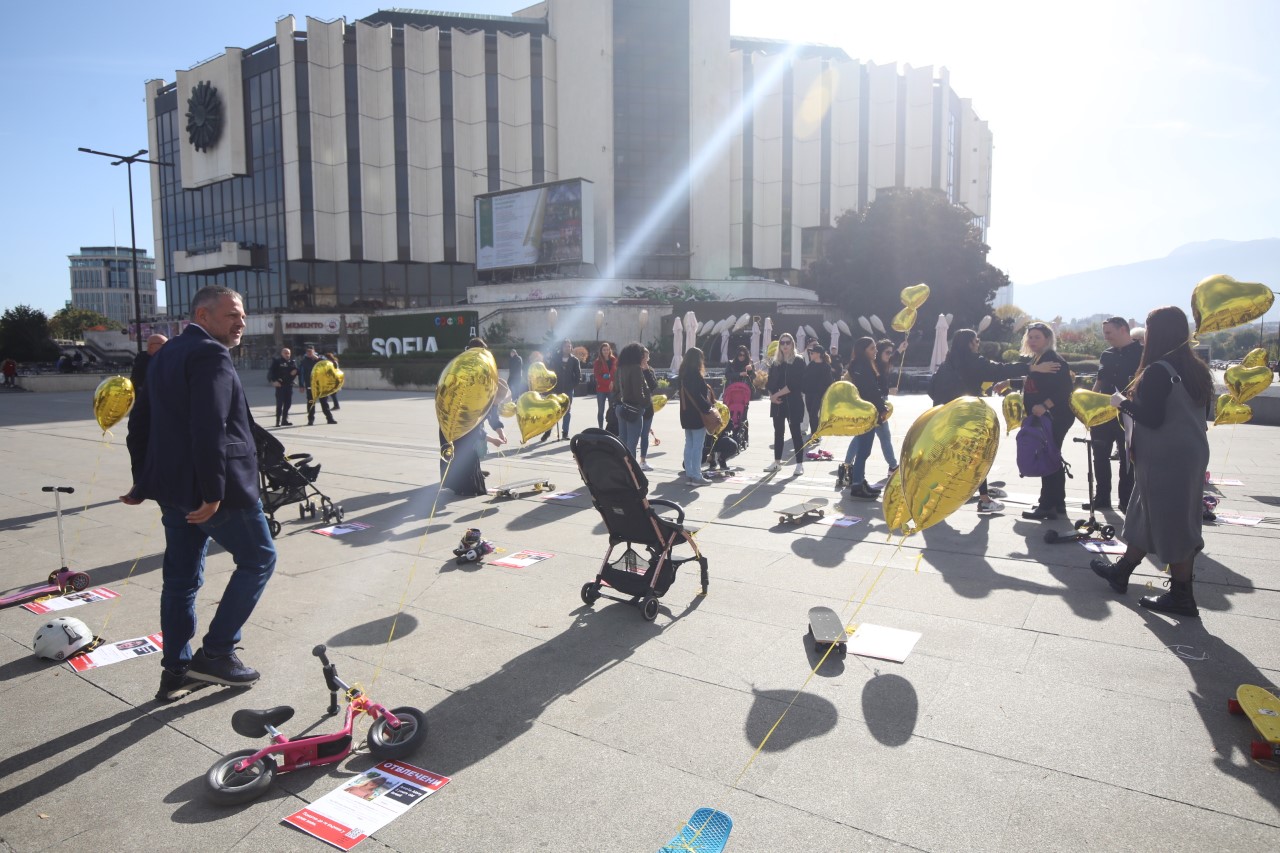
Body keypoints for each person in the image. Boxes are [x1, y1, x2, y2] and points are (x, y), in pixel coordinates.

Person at [120, 285, 277, 702]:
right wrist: (213, 492)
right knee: (260, 558)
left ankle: (176, 671)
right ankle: (217, 654)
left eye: (242, 315)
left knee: (181, 581)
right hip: (213, 491)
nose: (241, 322)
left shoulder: (165, 353)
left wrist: (143, 480)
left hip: (173, 489)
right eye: (232, 315)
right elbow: (210, 426)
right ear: (203, 316)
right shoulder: (209, 353)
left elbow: (142, 423)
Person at [1090, 306, 1212, 617]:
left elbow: (1152, 418)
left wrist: (1122, 404)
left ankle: (1183, 596)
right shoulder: (1197, 367)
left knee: (1175, 522)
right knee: (1144, 510)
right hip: (1190, 451)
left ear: (1157, 332)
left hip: (1165, 454)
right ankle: (1122, 571)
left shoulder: (1159, 369)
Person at [934, 329, 1061, 513]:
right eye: (976, 341)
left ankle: (944, 495)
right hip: (967, 416)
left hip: (942, 417)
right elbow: (999, 369)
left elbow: (932, 389)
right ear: (970, 343)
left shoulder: (946, 364)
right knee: (979, 456)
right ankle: (984, 499)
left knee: (951, 456)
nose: (978, 344)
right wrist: (1032, 367)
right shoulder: (974, 361)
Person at [1019, 322, 1075, 520]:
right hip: (1045, 417)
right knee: (1052, 457)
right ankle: (1057, 503)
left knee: (1046, 457)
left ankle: (1047, 504)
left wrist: (1045, 405)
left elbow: (1065, 389)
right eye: (1030, 337)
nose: (1032, 341)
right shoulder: (1038, 359)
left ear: (1048, 339)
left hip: (1055, 416)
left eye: (1037, 337)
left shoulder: (1052, 360)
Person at [441, 337, 508, 495]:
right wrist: (493, 440)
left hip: (466, 425)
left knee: (467, 456)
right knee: (461, 455)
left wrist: (499, 430)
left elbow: (491, 413)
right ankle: (462, 485)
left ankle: (466, 479)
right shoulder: (465, 374)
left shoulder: (483, 377)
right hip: (455, 423)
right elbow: (472, 429)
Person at [1089, 317, 1143, 511]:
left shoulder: (1142, 352)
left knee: (1126, 458)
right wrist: (1091, 406)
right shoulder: (1106, 354)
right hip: (1103, 412)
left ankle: (1125, 500)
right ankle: (1101, 497)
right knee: (1099, 455)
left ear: (1123, 330)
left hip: (1127, 412)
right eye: (1104, 333)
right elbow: (1100, 381)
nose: (1106, 337)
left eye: (1109, 333)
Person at [842, 337, 890, 498]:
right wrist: (882, 409)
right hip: (867, 412)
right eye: (872, 348)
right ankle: (857, 485)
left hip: (864, 411)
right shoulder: (863, 366)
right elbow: (871, 390)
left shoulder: (860, 365)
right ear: (864, 351)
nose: (875, 350)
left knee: (863, 449)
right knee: (864, 450)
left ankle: (860, 481)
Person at [125, 334, 169, 484]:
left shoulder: (160, 362)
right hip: (146, 418)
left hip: (158, 416)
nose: (167, 349)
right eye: (163, 345)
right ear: (151, 347)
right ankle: (141, 483)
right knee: (143, 450)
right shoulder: (144, 365)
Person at [765, 333, 806, 476]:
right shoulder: (776, 362)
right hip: (778, 403)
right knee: (778, 433)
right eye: (782, 343)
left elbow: (794, 385)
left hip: (793, 401)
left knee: (796, 433)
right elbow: (769, 382)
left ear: (793, 344)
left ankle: (799, 464)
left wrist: (776, 395)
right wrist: (772, 396)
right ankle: (777, 462)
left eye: (788, 342)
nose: (785, 345)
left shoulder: (798, 361)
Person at [677, 347, 715, 485]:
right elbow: (698, 396)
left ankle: (689, 474)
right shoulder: (695, 374)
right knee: (697, 446)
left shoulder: (682, 374)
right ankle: (696, 476)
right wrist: (709, 407)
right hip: (697, 414)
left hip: (686, 414)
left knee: (689, 444)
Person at [612, 342, 650, 459]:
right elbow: (638, 391)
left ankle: (622, 466)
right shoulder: (635, 368)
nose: (643, 356)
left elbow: (615, 389)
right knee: (632, 444)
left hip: (620, 407)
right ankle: (632, 471)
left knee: (623, 441)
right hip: (633, 408)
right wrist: (645, 404)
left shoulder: (619, 368)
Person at [541, 339, 582, 442]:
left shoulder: (574, 360)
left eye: (569, 346)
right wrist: (551, 387)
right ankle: (547, 432)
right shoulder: (555, 358)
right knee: (553, 411)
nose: (567, 348)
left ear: (571, 347)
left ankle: (565, 433)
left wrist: (572, 386)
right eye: (565, 346)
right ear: (562, 347)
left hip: (568, 390)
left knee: (567, 411)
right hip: (556, 389)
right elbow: (550, 372)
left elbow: (578, 377)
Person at [802, 343, 834, 445]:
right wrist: (804, 388)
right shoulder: (811, 364)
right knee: (811, 413)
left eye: (813, 352)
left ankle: (815, 435)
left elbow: (828, 382)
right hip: (809, 393)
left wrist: (822, 394)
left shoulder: (826, 367)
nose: (811, 354)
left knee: (813, 414)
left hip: (818, 394)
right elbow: (804, 377)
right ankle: (815, 434)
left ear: (819, 354)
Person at [299, 344, 336, 425]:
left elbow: (329, 365)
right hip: (310, 386)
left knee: (324, 403)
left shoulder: (321, 359)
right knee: (311, 403)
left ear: (314, 351)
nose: (309, 353)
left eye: (310, 351)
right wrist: (301, 385)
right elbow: (301, 374)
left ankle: (330, 419)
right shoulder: (304, 362)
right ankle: (310, 420)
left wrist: (318, 359)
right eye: (308, 351)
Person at [266, 346, 298, 427]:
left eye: (288, 353)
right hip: (280, 386)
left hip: (289, 385)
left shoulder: (292, 362)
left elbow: (297, 370)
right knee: (280, 404)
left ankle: (284, 420)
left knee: (288, 404)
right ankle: (277, 421)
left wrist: (296, 371)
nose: (287, 355)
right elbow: (271, 372)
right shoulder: (277, 361)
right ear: (282, 353)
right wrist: (273, 381)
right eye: (285, 353)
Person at [638, 360, 660, 471]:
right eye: (643, 357)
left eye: (647, 357)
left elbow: (654, 386)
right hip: (636, 407)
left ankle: (643, 460)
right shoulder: (633, 369)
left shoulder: (649, 370)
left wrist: (646, 371)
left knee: (645, 435)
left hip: (647, 407)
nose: (645, 361)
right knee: (633, 436)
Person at [592, 342, 618, 429]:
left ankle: (611, 428)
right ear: (601, 351)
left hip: (611, 389)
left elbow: (616, 373)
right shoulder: (597, 362)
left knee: (612, 410)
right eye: (604, 350)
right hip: (601, 389)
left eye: (607, 349)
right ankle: (601, 428)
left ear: (610, 350)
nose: (606, 351)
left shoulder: (614, 360)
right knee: (601, 411)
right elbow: (597, 376)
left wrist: (613, 382)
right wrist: (609, 382)